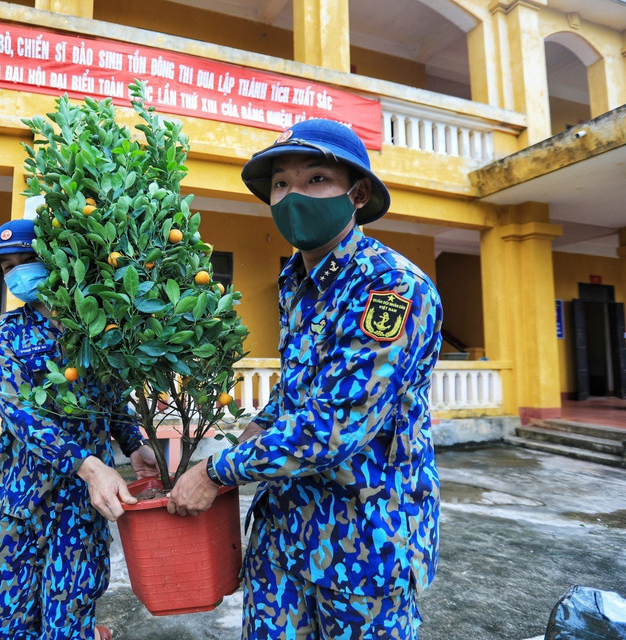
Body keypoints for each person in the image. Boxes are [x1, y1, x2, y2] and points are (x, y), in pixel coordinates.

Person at [168, 119, 443, 639]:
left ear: (357, 194)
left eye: (315, 179)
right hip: (285, 532)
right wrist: (254, 428)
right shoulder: (296, 280)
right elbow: (300, 387)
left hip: (364, 543)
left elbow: (336, 424)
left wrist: (217, 473)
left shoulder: (391, 289)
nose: (294, 196)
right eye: (281, 184)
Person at [0, 218, 158, 640]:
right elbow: (22, 415)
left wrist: (134, 445)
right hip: (21, 503)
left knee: (68, 624)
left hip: (80, 512)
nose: (18, 272)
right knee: (7, 622)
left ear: (56, 262)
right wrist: (90, 466)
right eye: (7, 267)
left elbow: (112, 398)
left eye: (28, 260)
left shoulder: (92, 331)